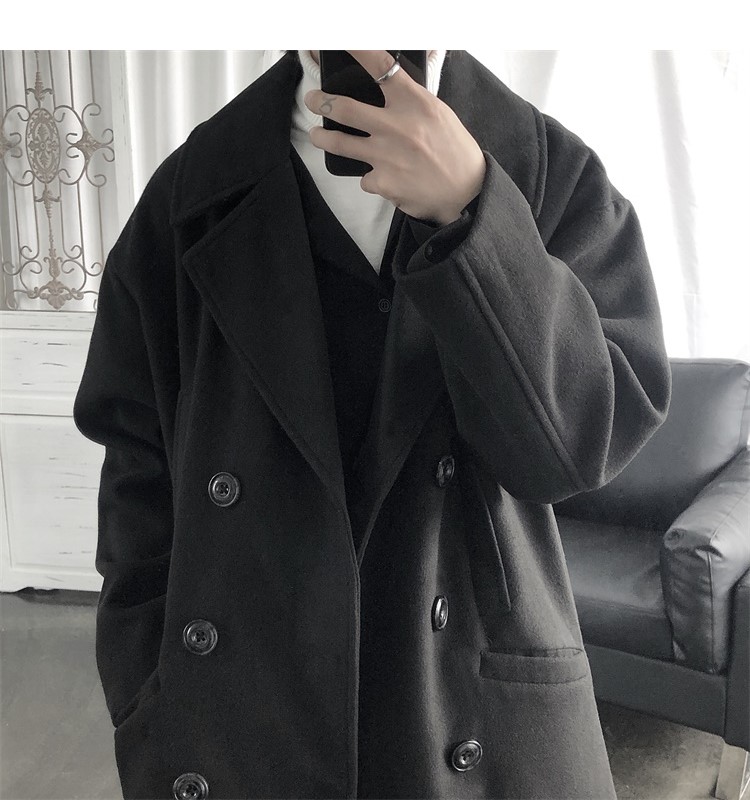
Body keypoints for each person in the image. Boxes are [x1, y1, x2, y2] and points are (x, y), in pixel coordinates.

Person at [73, 50, 672, 800]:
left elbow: (580, 447)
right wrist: (148, 694)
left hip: (472, 711)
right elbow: (136, 462)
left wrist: (473, 212)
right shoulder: (190, 192)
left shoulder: (550, 174)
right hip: (243, 713)